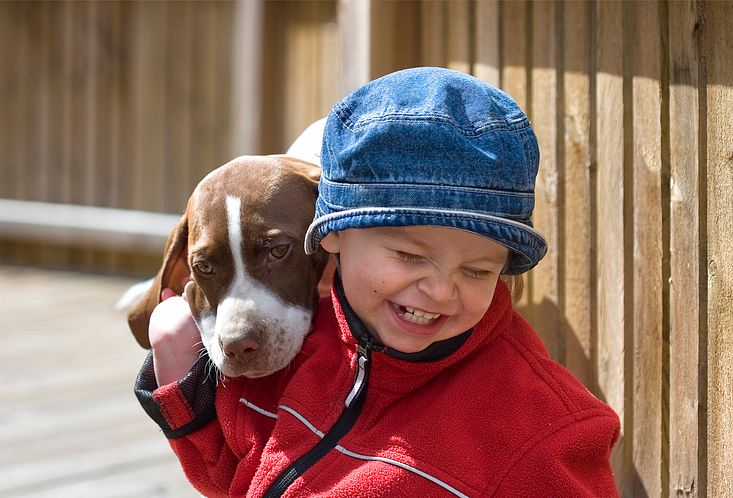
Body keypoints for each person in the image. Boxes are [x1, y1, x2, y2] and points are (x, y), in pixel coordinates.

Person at [135, 67, 620, 497]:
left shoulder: (544, 435)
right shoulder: (317, 336)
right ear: (332, 236)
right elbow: (238, 477)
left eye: (478, 270)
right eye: (409, 255)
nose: (440, 291)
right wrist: (182, 378)